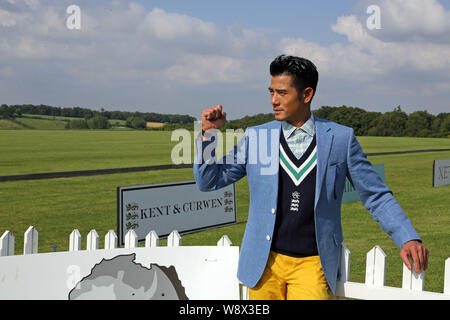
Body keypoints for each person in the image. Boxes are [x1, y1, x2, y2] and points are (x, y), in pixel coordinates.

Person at [193, 54, 429, 300]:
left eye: (282, 93)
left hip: (312, 262)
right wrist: (208, 135)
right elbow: (208, 180)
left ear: (306, 95)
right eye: (271, 92)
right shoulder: (257, 137)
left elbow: (375, 194)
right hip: (263, 264)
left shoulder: (341, 138)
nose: (274, 100)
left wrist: (407, 236)